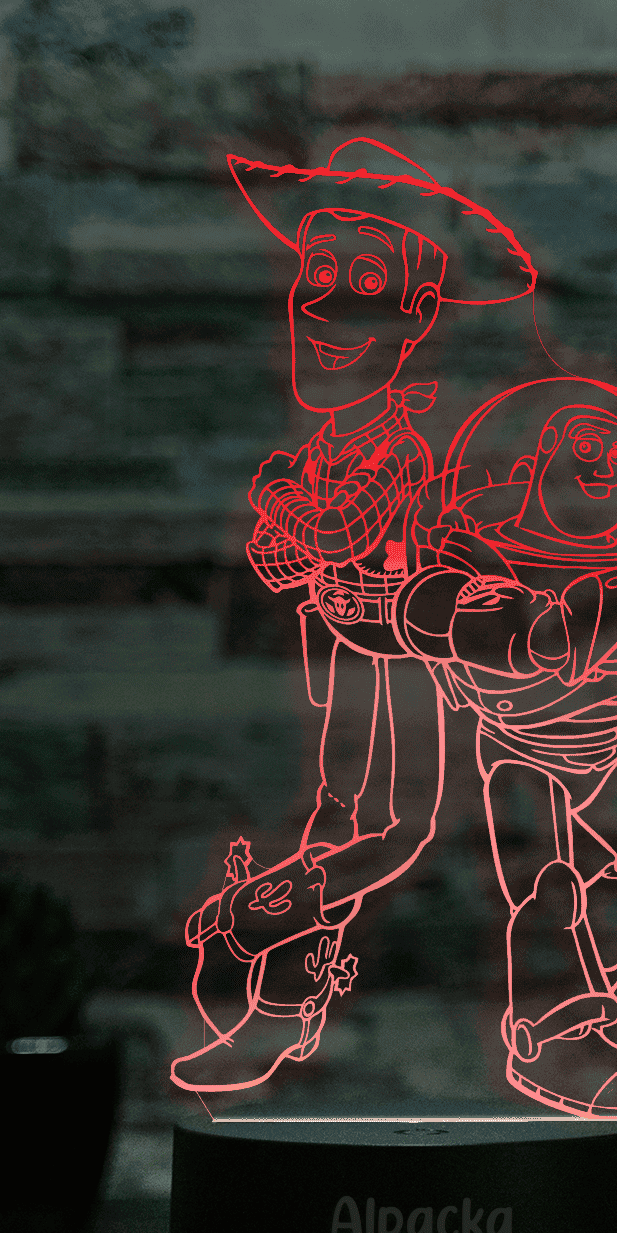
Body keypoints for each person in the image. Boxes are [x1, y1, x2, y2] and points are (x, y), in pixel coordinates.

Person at [170, 140, 537, 1093]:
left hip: (398, 676)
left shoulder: (394, 447)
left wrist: (284, 507)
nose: (325, 306)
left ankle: (251, 922)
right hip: (337, 669)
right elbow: (283, 558)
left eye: (366, 283)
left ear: (415, 318)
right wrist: (291, 526)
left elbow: (333, 533)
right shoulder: (326, 448)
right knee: (334, 824)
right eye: (317, 274)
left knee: (385, 833)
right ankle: (279, 1013)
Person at [392, 378, 617, 1117]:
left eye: (613, 461)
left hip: (605, 748)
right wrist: (527, 630)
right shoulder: (476, 546)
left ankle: (590, 974)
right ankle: (557, 1037)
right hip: (519, 751)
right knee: (548, 884)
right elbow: (425, 611)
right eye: (582, 457)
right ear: (538, 465)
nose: (602, 473)